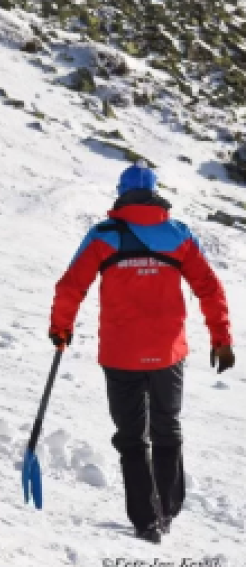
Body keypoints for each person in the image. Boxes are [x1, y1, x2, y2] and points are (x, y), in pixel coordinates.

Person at [49, 161, 234, 544]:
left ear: (121, 192)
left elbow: (71, 285)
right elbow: (209, 287)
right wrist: (221, 337)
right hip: (169, 352)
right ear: (155, 191)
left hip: (120, 353)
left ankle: (146, 520)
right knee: (168, 427)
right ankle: (167, 510)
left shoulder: (104, 235)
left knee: (132, 436)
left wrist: (61, 327)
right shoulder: (177, 234)